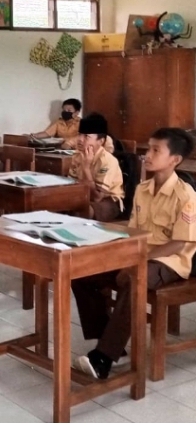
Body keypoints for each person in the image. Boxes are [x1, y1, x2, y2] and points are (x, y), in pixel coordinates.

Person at [73, 128, 196, 379]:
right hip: (141, 253)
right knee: (82, 273)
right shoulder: (142, 189)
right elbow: (133, 230)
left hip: (169, 261)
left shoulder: (185, 195)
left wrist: (137, 260)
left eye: (155, 150)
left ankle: (103, 358)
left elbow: (179, 244)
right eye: (148, 148)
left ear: (175, 159)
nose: (146, 155)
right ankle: (112, 343)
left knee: (133, 278)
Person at [68, 113, 124, 222]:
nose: (80, 139)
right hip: (83, 196)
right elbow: (71, 184)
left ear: (101, 141)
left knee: (82, 210)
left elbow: (97, 197)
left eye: (86, 136)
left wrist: (86, 168)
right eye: (79, 134)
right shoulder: (77, 155)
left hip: (108, 200)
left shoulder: (108, 161)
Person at [32, 99, 115, 152]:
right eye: (64, 110)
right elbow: (48, 133)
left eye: (69, 110)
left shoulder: (83, 124)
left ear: (76, 112)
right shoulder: (59, 122)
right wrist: (34, 136)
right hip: (68, 152)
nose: (66, 112)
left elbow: (108, 152)